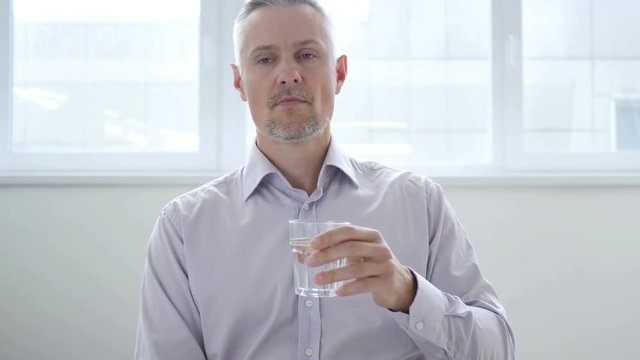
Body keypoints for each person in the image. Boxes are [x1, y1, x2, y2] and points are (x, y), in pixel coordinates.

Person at [134, 0, 515, 359]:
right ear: (239, 82)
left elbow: (498, 349)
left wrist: (408, 292)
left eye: (306, 55)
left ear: (340, 73)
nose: (289, 74)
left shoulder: (418, 202)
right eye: (265, 59)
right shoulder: (184, 227)